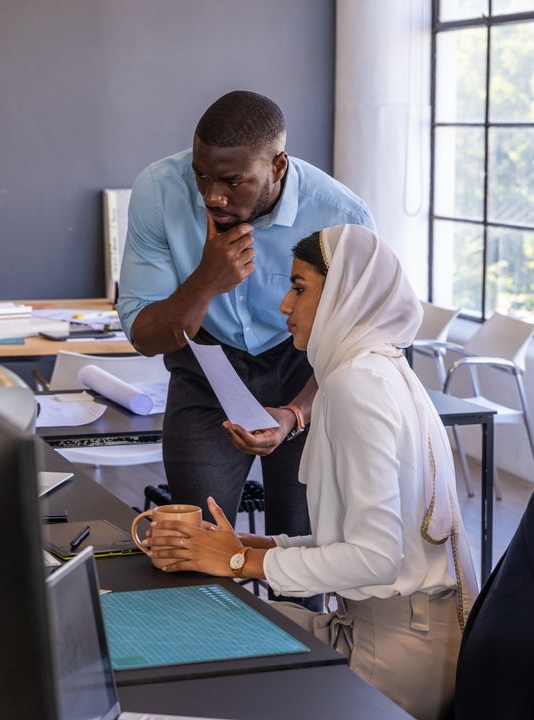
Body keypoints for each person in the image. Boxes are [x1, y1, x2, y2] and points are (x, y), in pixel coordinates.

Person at [144, 225, 478, 720]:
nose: (284, 306)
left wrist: (240, 565)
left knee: (198, 636)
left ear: (345, 294)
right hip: (404, 634)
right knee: (213, 626)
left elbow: (376, 559)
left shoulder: (355, 387)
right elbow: (366, 545)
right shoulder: (379, 369)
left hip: (391, 659)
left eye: (299, 288)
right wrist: (244, 546)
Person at [117, 91, 375, 603]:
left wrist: (296, 415)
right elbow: (144, 336)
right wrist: (205, 282)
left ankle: (295, 671)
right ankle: (206, 663)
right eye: (202, 176)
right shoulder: (158, 190)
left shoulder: (341, 214)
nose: (212, 196)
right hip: (204, 365)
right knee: (194, 546)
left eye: (232, 181)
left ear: (278, 165)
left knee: (303, 555)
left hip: (305, 369)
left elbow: (356, 344)